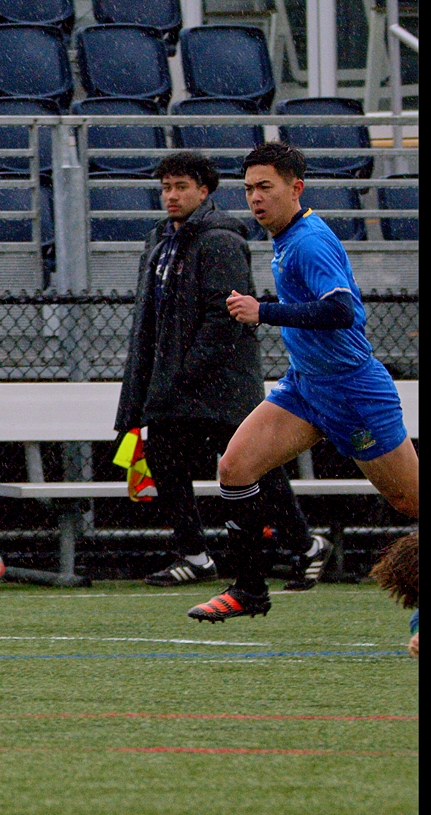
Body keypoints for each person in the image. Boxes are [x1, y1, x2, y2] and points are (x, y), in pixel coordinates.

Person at [189, 141, 420, 622]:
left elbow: (342, 311)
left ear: (296, 188)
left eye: (265, 187)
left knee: (408, 501)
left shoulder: (309, 240)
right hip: (306, 387)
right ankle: (249, 590)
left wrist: (263, 312)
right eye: (249, 188)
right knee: (234, 470)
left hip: (352, 391)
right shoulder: (286, 238)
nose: (255, 198)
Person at [114, 152, 331, 589]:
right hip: (174, 383)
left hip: (220, 386)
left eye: (181, 187)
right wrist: (150, 380)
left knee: (253, 467)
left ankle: (305, 545)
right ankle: (195, 554)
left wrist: (189, 370)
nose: (171, 196)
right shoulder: (160, 239)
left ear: (204, 190)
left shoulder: (220, 239)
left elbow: (225, 315)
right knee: (163, 459)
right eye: (165, 188)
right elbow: (149, 318)